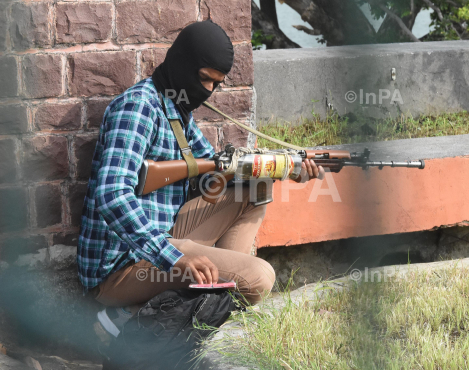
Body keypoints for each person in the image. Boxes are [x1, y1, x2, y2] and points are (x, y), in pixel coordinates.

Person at [77, 20, 324, 336]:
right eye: (204, 79)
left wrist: (288, 168)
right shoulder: (139, 107)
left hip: (164, 236)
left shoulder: (176, 110)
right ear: (183, 64)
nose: (207, 91)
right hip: (122, 268)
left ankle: (209, 300)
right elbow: (112, 195)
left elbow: (219, 174)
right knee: (259, 277)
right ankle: (125, 316)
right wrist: (174, 257)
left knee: (255, 190)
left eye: (215, 84)